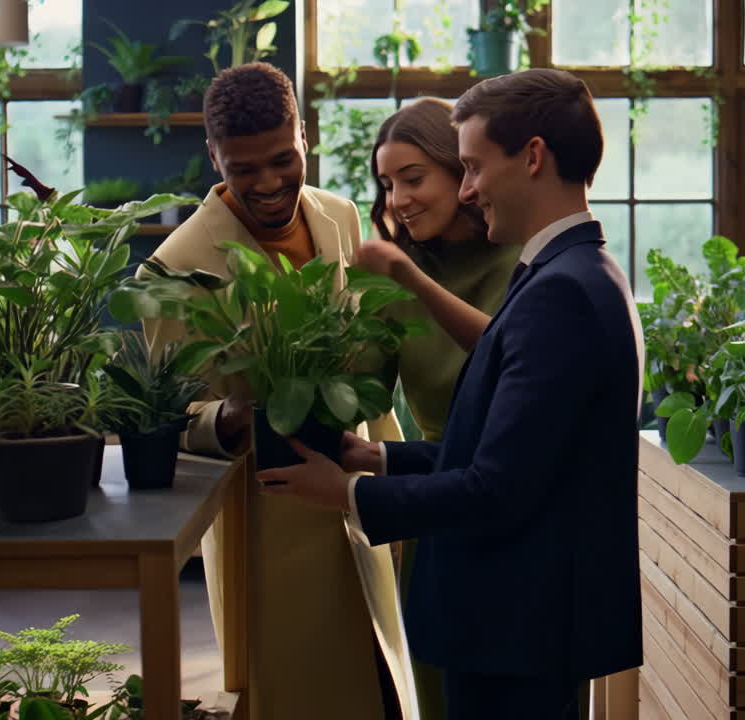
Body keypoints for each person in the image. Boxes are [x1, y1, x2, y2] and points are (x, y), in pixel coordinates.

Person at [257, 68, 645, 720]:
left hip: (513, 623)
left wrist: (347, 492)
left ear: (533, 157)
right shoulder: (567, 273)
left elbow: (495, 490)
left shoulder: (561, 292)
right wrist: (379, 458)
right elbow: (518, 463)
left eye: (473, 167)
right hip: (510, 621)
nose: (467, 189)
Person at [137, 62, 416, 720]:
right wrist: (229, 417)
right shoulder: (173, 267)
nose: (267, 183)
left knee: (383, 685)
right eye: (243, 168)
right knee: (296, 695)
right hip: (266, 528)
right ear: (214, 158)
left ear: (304, 136)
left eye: (282, 159)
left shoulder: (340, 216)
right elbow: (169, 414)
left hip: (358, 492)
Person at [356, 97, 520, 719]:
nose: (398, 199)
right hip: (433, 510)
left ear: (462, 171)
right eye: (387, 184)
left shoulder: (522, 258)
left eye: (413, 178)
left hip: (514, 515)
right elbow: (363, 392)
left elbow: (508, 354)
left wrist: (409, 279)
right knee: (439, 699)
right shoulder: (397, 275)